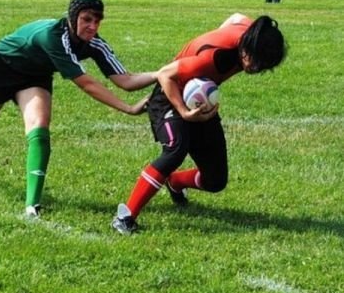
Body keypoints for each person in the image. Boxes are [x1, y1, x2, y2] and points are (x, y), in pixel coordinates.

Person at [0, 0, 158, 218]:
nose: (93, 27)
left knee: (40, 123)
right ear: (73, 16)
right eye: (87, 19)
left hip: (34, 76)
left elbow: (126, 80)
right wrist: (127, 108)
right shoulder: (54, 36)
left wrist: (165, 74)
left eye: (98, 21)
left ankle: (32, 206)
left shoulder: (95, 43)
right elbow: (87, 84)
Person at [112, 13, 287, 235]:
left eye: (263, 66)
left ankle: (175, 181)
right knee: (176, 148)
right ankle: (125, 217)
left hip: (198, 96)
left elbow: (236, 17)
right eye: (256, 61)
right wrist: (184, 112)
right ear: (246, 48)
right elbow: (165, 75)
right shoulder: (213, 58)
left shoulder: (251, 32)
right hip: (168, 96)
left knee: (216, 180)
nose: (256, 68)